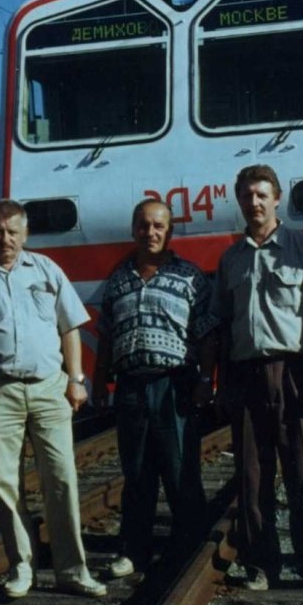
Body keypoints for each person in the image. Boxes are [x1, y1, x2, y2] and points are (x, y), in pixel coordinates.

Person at [0, 199, 107, 599]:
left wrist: (76, 379)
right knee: (5, 483)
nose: (5, 239)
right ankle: (21, 568)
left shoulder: (47, 270)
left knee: (62, 478)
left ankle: (72, 569)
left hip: (50, 387)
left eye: (13, 232)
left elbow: (70, 327)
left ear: (25, 234)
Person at [215, 164, 303, 591]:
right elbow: (224, 321)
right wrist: (222, 381)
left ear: (277, 198)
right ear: (239, 200)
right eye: (247, 195)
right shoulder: (231, 259)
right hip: (246, 373)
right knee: (252, 474)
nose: (255, 202)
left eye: (262, 194)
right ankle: (261, 564)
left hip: (295, 372)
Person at [92, 199, 215, 579]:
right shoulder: (117, 280)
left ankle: (188, 548)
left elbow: (207, 334)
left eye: (158, 225)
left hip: (174, 384)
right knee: (137, 472)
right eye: (143, 225)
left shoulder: (191, 277)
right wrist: (100, 382)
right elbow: (107, 338)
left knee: (180, 470)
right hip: (131, 386)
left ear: (169, 231)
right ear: (134, 229)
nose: (151, 232)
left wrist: (207, 379)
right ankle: (133, 551)